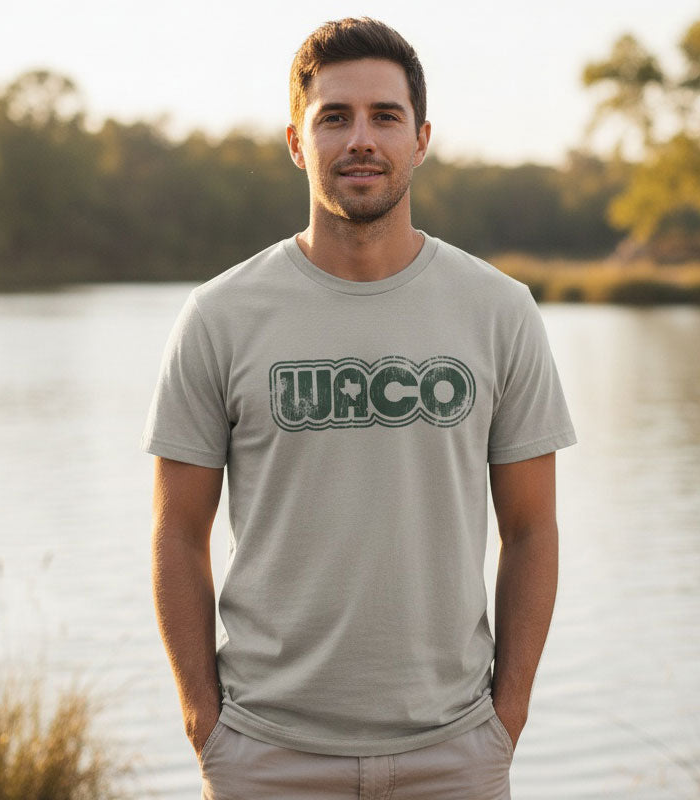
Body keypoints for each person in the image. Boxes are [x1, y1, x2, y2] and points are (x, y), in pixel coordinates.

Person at [142, 16, 576, 800]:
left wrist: (504, 719)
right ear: (295, 141)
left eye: (385, 116)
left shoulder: (499, 311)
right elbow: (177, 532)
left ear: (421, 138)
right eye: (334, 117)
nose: (361, 139)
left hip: (453, 754)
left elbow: (532, 528)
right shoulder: (220, 316)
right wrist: (204, 724)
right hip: (267, 755)